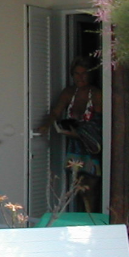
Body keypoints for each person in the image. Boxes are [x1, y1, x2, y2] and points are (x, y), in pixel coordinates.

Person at [37, 57, 103, 212]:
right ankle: (81, 216)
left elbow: (100, 123)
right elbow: (55, 112)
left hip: (91, 146)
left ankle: (91, 218)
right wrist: (47, 125)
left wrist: (80, 133)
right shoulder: (69, 92)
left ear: (90, 75)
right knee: (77, 186)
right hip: (74, 147)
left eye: (84, 74)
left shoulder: (96, 94)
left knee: (91, 187)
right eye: (77, 74)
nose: (80, 77)